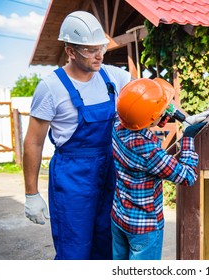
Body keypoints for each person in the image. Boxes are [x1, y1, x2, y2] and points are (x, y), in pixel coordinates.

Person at [23, 11, 132, 260]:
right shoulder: (51, 87)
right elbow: (33, 141)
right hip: (73, 178)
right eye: (89, 50)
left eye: (101, 48)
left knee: (109, 246)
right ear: (70, 51)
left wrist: (179, 115)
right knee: (75, 250)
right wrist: (31, 193)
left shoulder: (113, 76)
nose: (99, 55)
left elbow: (148, 95)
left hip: (110, 173)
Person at [111, 78, 209, 260]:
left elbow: (149, 107)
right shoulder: (149, 151)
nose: (166, 110)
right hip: (144, 227)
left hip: (119, 217)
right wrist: (188, 136)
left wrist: (182, 117)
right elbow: (188, 176)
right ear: (151, 118)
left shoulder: (119, 122)